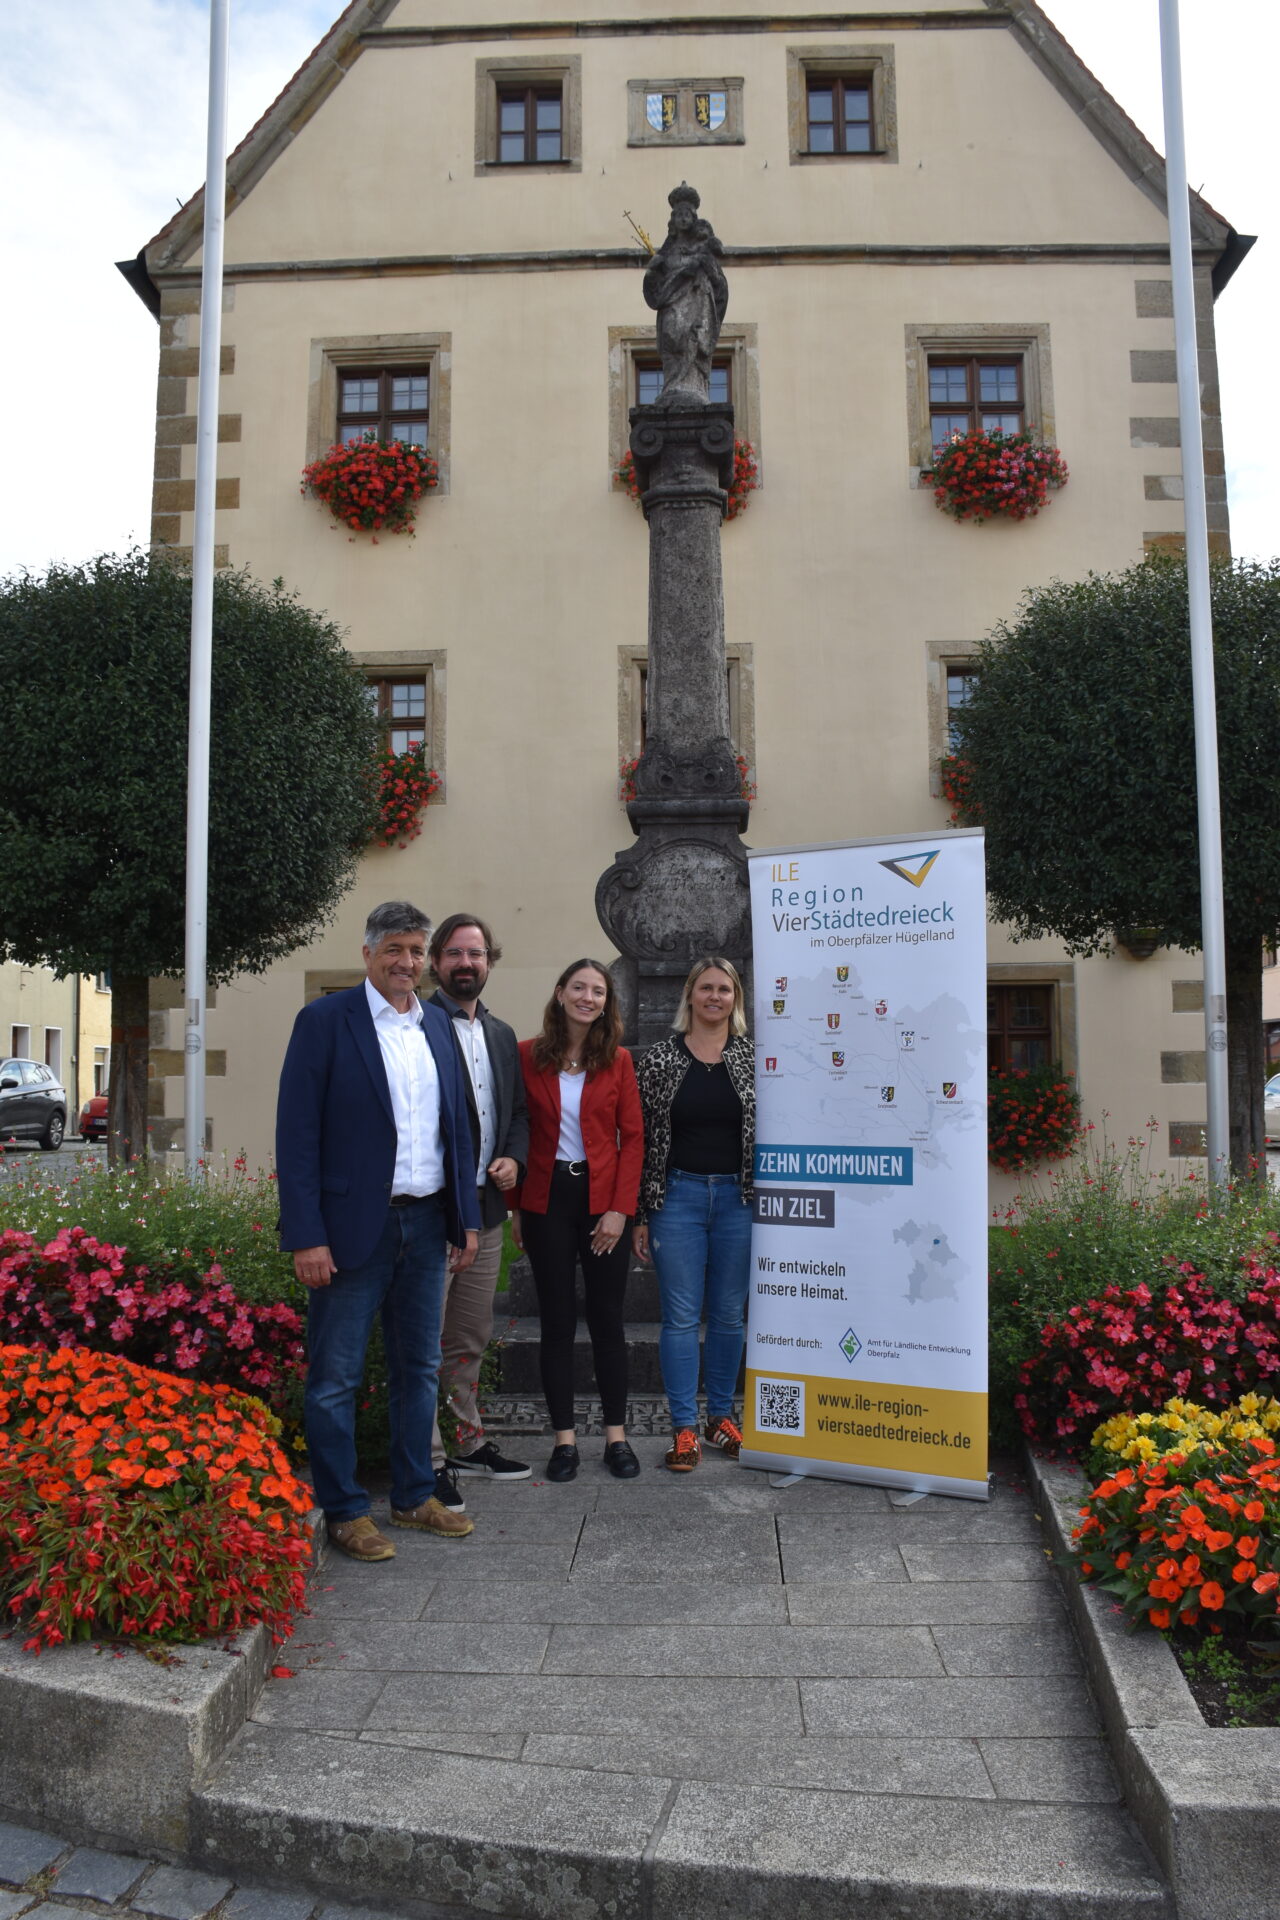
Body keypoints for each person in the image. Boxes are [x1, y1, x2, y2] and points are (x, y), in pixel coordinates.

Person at [276, 900, 482, 1561]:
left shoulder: (437, 1028)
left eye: (417, 951)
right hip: (348, 1229)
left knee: (418, 1367)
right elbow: (297, 1134)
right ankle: (343, 1510)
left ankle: (415, 1495)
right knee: (335, 1376)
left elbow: (459, 1129)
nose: (408, 962)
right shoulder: (324, 1022)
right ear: (368, 954)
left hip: (426, 1224)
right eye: (395, 949)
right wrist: (307, 1235)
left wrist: (463, 1218)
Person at [511, 959, 644, 1482]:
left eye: (599, 991)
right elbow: (515, 1129)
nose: (589, 997)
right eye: (580, 988)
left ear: (607, 1002)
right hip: (546, 1201)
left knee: (608, 1321)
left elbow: (632, 1138)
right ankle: (564, 1441)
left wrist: (619, 1209)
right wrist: (518, 1207)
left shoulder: (618, 1061)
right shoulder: (525, 1056)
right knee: (557, 1323)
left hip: (601, 1199)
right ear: (560, 991)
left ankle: (617, 1437)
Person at [633, 956, 755, 1472]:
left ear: (736, 999)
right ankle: (685, 1428)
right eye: (705, 988)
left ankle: (722, 1418)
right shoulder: (659, 1059)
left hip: (738, 1200)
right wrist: (640, 1212)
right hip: (677, 1198)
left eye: (724, 990)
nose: (714, 997)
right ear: (689, 996)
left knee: (729, 1316)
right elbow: (637, 1139)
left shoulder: (754, 1060)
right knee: (680, 1317)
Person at [425, 912, 531, 1507]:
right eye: (456, 954)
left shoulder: (499, 1035)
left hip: (487, 1213)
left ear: (490, 962)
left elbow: (516, 1114)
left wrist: (513, 1159)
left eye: (477, 954)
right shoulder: (419, 1026)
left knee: (469, 1336)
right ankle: (430, 1460)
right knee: (423, 1341)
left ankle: (466, 1440)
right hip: (438, 1213)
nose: (467, 964)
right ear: (437, 962)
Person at [641, 181, 729, 403]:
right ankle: (673, 385)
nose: (682, 218)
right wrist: (653, 271)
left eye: (686, 214)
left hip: (698, 304)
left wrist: (704, 269)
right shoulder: (666, 252)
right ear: (672, 220)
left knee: (693, 339)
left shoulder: (704, 249)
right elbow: (654, 287)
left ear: (693, 219)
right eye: (678, 214)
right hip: (671, 304)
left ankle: (694, 386)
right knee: (672, 337)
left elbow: (719, 284)